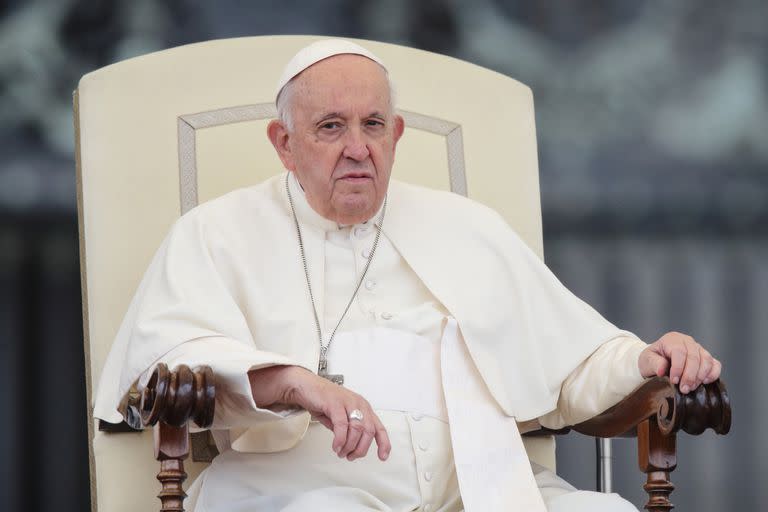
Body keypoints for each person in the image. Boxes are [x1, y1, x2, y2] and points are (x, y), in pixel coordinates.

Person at [94, 40, 721, 512]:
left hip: (478, 489)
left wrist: (647, 360)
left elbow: (573, 364)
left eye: (372, 125)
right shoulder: (216, 233)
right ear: (284, 144)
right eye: (330, 127)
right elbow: (166, 360)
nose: (357, 147)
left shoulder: (469, 228)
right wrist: (293, 383)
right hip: (301, 490)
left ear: (395, 135)